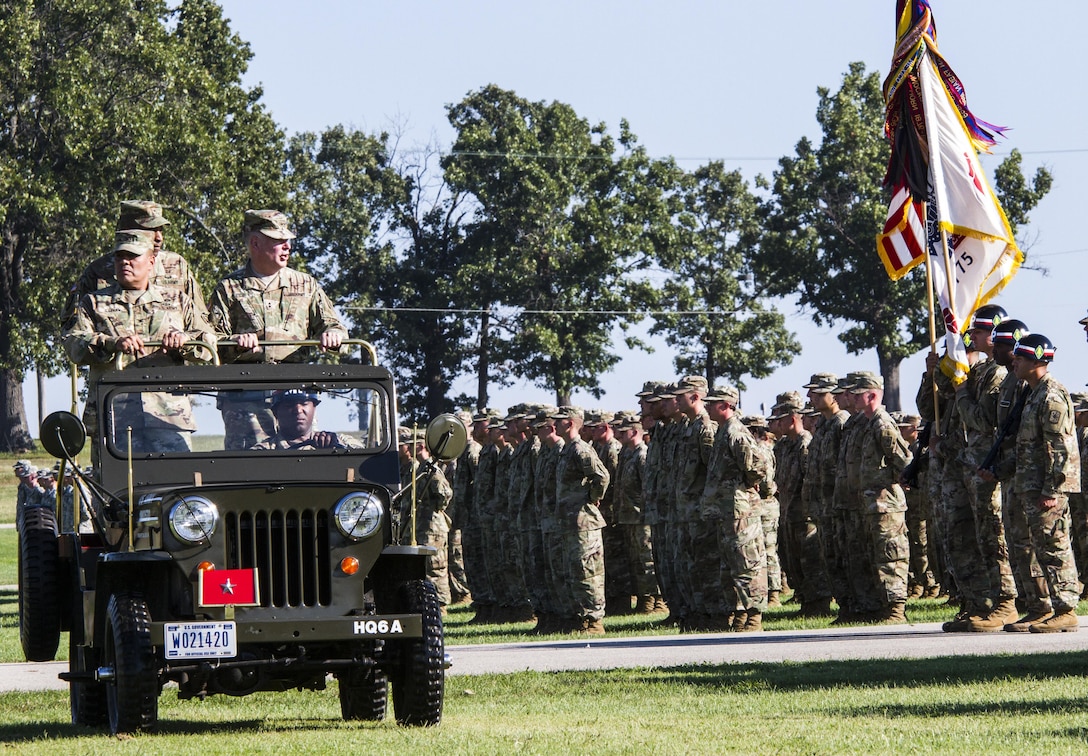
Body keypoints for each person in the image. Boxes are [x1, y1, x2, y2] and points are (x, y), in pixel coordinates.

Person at [63, 229, 216, 461]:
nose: (125, 262)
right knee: (115, 490)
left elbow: (209, 342)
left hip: (167, 416)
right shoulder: (93, 303)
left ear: (151, 261)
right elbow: (73, 343)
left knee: (174, 486)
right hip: (114, 416)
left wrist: (184, 341)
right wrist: (111, 344)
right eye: (119, 256)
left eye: (133, 256)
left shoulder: (177, 301)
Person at [209, 209, 348, 449]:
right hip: (245, 400)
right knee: (249, 470)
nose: (287, 247)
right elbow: (210, 343)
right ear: (255, 243)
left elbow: (333, 325)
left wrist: (332, 334)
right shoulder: (229, 288)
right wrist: (235, 343)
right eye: (278, 241)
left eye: (288, 241)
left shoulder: (306, 285)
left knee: (301, 464)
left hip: (295, 399)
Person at [1001, 333, 1082, 632]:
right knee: (1038, 548)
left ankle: (1066, 609)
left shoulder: (1050, 395)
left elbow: (1061, 447)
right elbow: (1029, 446)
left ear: (1036, 361)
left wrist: (1053, 488)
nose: (1014, 363)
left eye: (1019, 359)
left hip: (1047, 490)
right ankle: (1041, 608)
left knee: (1055, 545)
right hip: (1031, 486)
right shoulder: (1032, 393)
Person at [63, 200, 208, 328]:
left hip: (167, 357)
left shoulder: (176, 265)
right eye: (150, 230)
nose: (159, 238)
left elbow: (202, 322)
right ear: (127, 231)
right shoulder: (98, 271)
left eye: (160, 230)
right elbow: (73, 329)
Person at [551, 406, 610, 635]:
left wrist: (592, 498)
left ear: (570, 423)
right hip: (570, 521)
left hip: (584, 521)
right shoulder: (567, 450)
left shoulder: (580, 449)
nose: (554, 425)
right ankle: (582, 619)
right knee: (576, 571)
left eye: (559, 420)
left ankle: (594, 621)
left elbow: (601, 476)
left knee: (589, 571)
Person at [397, 427, 453, 607]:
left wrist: (435, 509)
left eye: (409, 445)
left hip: (432, 526)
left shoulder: (430, 468)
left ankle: (441, 604)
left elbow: (444, 493)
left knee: (435, 566)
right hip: (419, 525)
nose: (406, 449)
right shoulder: (419, 467)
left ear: (420, 446)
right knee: (423, 568)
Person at [251, 389, 363, 450]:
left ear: (314, 408)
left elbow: (364, 458)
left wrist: (336, 449)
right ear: (276, 412)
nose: (298, 410)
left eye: (304, 403)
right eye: (289, 405)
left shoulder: (337, 441)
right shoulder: (264, 452)